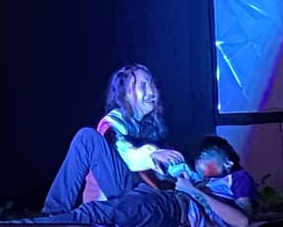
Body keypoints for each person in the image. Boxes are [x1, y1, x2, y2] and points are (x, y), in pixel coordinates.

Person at [0, 135, 257, 227]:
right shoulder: (200, 179)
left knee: (93, 213)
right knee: (88, 139)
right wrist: (162, 168)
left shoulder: (238, 178)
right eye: (199, 155)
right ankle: (51, 215)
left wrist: (191, 191)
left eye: (207, 155)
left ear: (228, 161)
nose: (200, 159)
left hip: (171, 210)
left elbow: (242, 220)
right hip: (153, 194)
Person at [43, 63, 187, 213]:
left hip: (141, 202)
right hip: (112, 198)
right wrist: (151, 155)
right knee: (87, 137)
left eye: (152, 85)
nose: (152, 92)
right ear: (126, 94)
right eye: (143, 86)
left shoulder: (150, 128)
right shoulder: (112, 122)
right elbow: (125, 152)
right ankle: (53, 212)